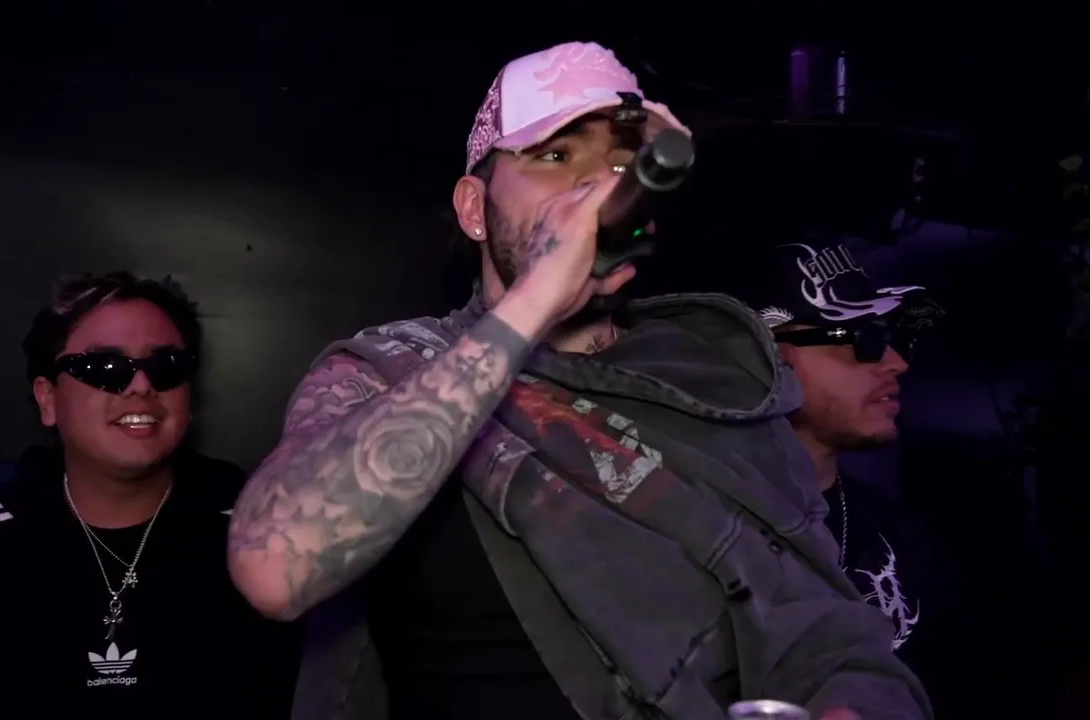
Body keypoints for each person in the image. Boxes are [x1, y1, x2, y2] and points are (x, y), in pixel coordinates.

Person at [228, 41, 930, 720]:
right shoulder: (390, 370)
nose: (599, 187)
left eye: (625, 165)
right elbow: (273, 568)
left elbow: (825, 633)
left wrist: (851, 705)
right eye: (557, 157)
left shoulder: (721, 386)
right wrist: (534, 300)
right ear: (474, 209)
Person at [0, 272, 300, 719]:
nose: (141, 386)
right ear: (48, 398)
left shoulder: (270, 548)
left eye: (166, 367)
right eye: (106, 368)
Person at [739, 239, 984, 717]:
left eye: (890, 337)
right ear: (762, 357)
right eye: (860, 338)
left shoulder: (906, 534)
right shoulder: (686, 532)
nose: (896, 362)